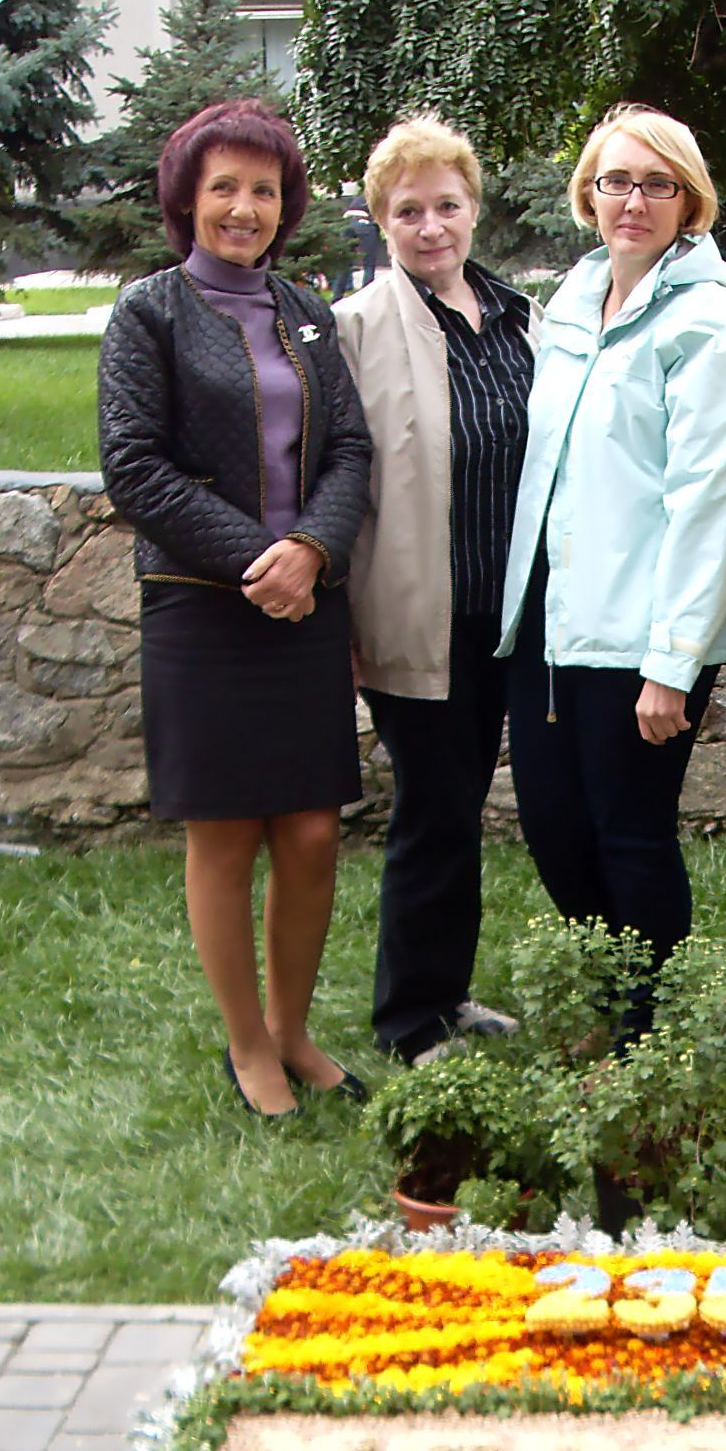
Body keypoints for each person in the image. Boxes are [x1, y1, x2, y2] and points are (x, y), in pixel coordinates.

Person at [98, 97, 372, 1118]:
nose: (245, 208)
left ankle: (294, 1030)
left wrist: (311, 550)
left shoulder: (308, 312)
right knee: (223, 836)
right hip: (203, 611)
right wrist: (265, 556)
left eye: (264, 189)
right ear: (189, 197)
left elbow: (350, 449)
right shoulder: (149, 313)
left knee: (310, 833)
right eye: (225, 187)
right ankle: (248, 1044)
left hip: (305, 608)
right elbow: (134, 466)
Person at [496, 104, 726, 997]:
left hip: (642, 634)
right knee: (553, 828)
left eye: (657, 184)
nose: (633, 201)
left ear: (690, 201)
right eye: (616, 182)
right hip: (551, 621)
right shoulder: (571, 303)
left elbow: (706, 497)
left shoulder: (705, 319)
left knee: (629, 834)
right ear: (589, 195)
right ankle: (608, 998)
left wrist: (672, 663)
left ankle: (652, 1030)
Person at [336, 116, 539, 1065]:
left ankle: (448, 994)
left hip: (516, 615)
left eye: (447, 206)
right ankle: (410, 1018)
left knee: (465, 808)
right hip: (422, 613)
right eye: (408, 211)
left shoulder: (521, 316)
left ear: (474, 209)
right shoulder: (357, 329)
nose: (431, 227)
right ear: (382, 222)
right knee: (433, 809)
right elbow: (336, 477)